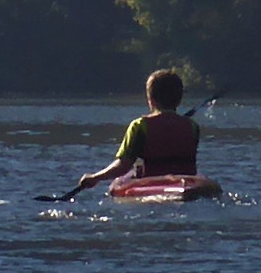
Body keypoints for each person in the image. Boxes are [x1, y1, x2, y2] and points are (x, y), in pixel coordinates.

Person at [66, 69, 199, 197]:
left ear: (151, 100)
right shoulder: (192, 126)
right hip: (186, 182)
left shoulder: (139, 126)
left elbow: (123, 166)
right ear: (179, 99)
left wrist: (95, 177)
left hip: (150, 183)